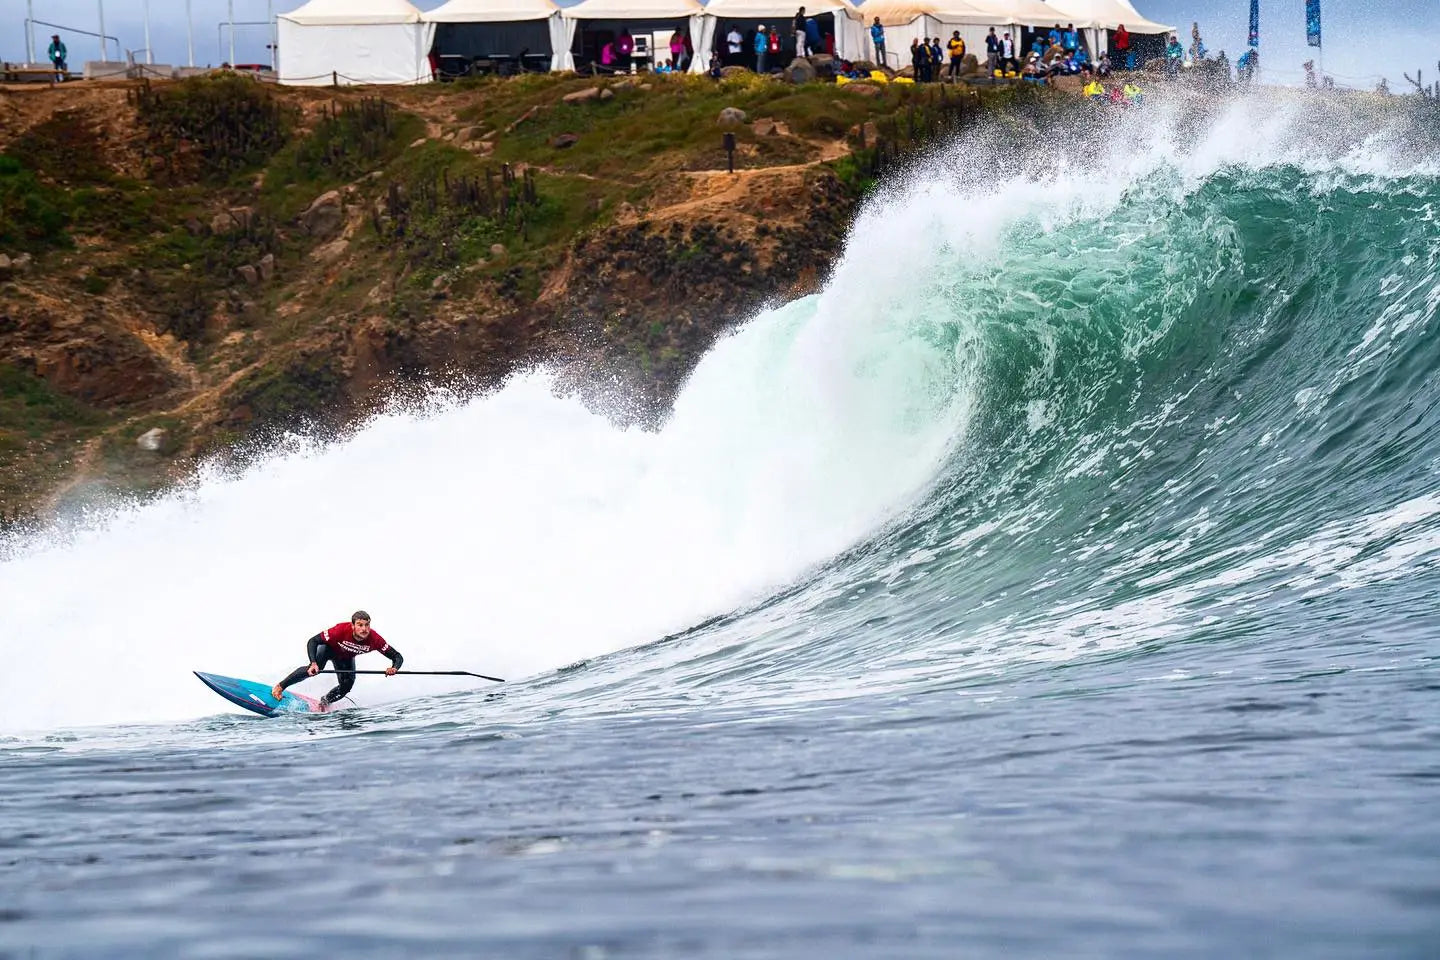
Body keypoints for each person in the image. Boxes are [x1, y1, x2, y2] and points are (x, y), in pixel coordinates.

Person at [271, 610, 403, 708]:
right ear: (352, 626)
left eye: (367, 625)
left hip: (345, 657)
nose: (364, 629)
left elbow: (397, 656)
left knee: (347, 685)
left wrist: (394, 668)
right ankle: (280, 686)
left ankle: (324, 702)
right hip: (328, 649)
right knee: (314, 670)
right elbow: (313, 641)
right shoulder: (339, 630)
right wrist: (313, 663)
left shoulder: (375, 640)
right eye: (360, 625)